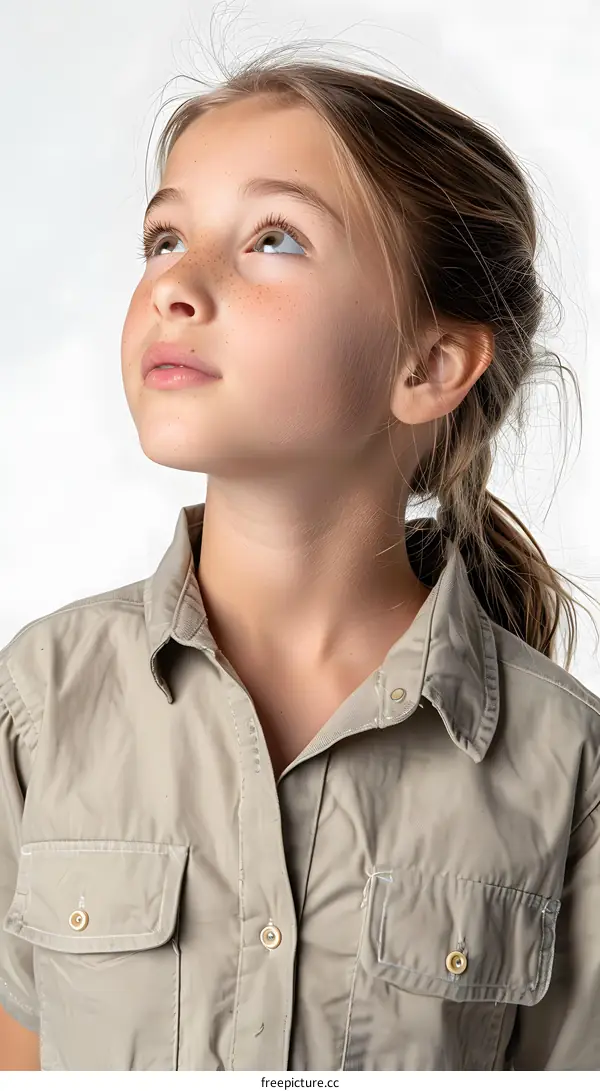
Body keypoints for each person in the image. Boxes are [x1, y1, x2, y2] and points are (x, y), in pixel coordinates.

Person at [1, 44, 599, 1072]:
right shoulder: (38, 704)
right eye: (164, 236)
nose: (175, 285)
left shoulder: (567, 768)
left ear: (430, 364)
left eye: (273, 238)